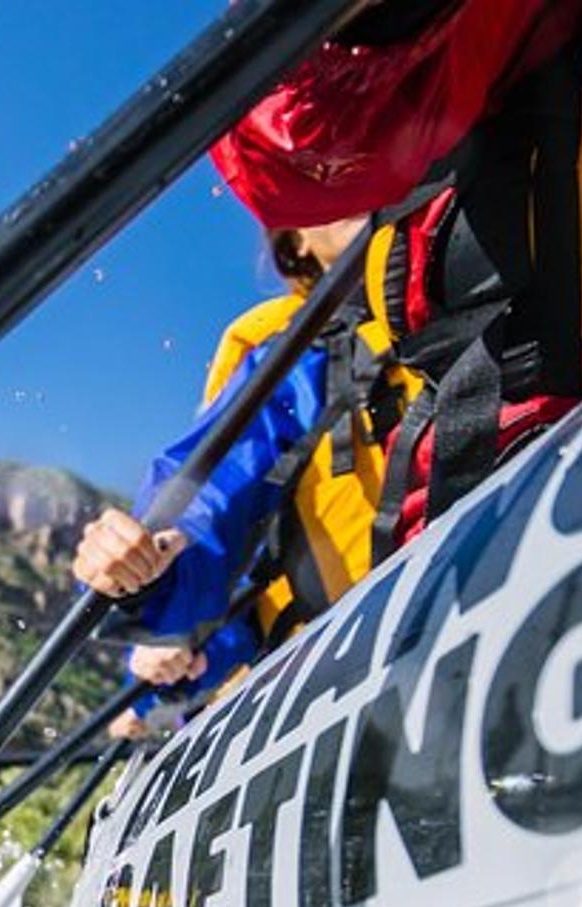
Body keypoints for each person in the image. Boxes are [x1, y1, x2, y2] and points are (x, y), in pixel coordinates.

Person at [214, 0, 582, 547]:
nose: (346, 223)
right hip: (500, 530)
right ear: (295, 248)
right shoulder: (286, 337)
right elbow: (300, 143)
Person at [80, 219, 400, 738]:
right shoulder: (294, 363)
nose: (352, 176)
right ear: (296, 241)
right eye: (320, 173)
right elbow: (206, 499)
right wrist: (137, 573)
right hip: (356, 672)